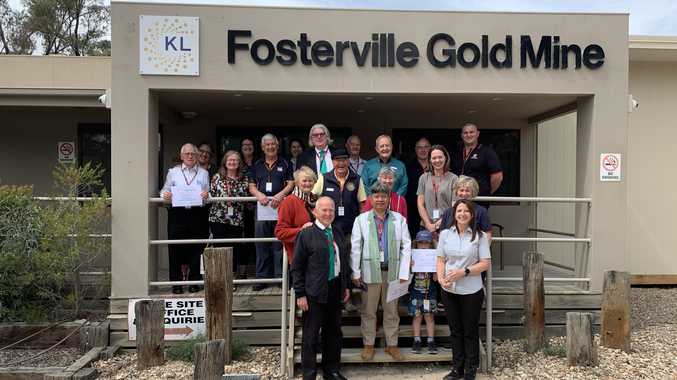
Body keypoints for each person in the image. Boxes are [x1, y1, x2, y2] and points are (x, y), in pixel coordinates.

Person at [351, 182, 411, 362]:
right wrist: (355, 272)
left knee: (391, 311)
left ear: (388, 199)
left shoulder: (399, 219)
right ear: (371, 198)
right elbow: (356, 247)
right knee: (369, 311)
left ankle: (392, 345)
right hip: (369, 272)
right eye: (376, 196)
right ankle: (368, 345)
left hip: (392, 272)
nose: (380, 200)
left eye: (383, 196)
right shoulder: (361, 220)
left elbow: (406, 246)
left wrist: (403, 272)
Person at [292, 197, 351, 380]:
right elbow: (297, 266)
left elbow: (344, 261)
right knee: (310, 336)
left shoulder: (338, 232)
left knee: (333, 333)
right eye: (324, 210)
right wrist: (300, 294)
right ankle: (309, 374)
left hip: (335, 289)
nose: (328, 214)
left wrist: (346, 286)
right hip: (314, 293)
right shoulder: (306, 234)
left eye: (331, 210)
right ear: (315, 212)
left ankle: (331, 371)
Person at [436, 199, 491, 380]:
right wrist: (441, 278)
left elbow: (485, 264)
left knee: (470, 331)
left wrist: (465, 272)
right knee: (455, 330)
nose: (462, 214)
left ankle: (470, 370)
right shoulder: (445, 234)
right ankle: (457, 369)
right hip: (449, 290)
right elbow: (440, 259)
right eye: (459, 210)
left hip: (471, 291)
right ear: (454, 213)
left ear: (472, 214)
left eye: (466, 211)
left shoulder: (480, 236)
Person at [160, 143, 210, 294]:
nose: (190, 156)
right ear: (181, 156)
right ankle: (176, 283)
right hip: (178, 214)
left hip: (197, 214)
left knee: (197, 248)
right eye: (187, 154)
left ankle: (194, 281)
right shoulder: (173, 172)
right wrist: (165, 195)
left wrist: (207, 196)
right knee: (175, 247)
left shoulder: (203, 173)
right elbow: (164, 191)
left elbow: (208, 194)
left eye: (193, 154)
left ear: (197, 156)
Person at [248, 134, 294, 290]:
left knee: (280, 243)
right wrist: (259, 195)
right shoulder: (256, 164)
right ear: (262, 147)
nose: (270, 147)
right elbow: (251, 185)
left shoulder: (286, 163)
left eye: (273, 144)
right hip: (262, 209)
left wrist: (280, 195)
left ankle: (281, 277)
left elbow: (291, 183)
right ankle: (262, 278)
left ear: (277, 145)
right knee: (261, 244)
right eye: (267, 145)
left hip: (280, 207)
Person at [209, 150, 250, 278]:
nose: (232, 162)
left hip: (235, 218)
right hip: (218, 217)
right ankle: (219, 277)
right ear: (225, 162)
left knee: (233, 248)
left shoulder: (244, 178)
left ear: (239, 163)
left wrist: (233, 198)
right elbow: (212, 194)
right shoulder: (217, 177)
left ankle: (230, 277)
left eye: (235, 160)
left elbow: (245, 195)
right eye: (229, 160)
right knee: (219, 247)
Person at [312, 148, 367, 237]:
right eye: (337, 160)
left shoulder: (357, 179)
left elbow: (362, 205)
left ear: (348, 161)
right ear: (332, 162)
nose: (341, 163)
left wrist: (361, 226)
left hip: (351, 230)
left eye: (344, 160)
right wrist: (317, 217)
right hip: (329, 229)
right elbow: (312, 198)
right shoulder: (324, 178)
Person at [451, 123, 503, 206]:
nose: (468, 135)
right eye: (465, 133)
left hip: (478, 200)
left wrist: (486, 192)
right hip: (459, 199)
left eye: (471, 132)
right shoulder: (456, 152)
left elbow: (497, 177)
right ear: (462, 135)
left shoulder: (487, 152)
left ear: (478, 134)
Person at [275, 166, 318, 264]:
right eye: (304, 181)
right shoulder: (289, 202)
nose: (307, 183)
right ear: (297, 183)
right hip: (299, 256)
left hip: (316, 255)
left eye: (310, 181)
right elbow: (280, 232)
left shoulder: (316, 200)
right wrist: (302, 230)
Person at [418, 144, 458, 238]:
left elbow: (454, 206)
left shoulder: (454, 178)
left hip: (447, 225)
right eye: (434, 158)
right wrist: (428, 224)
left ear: (446, 158)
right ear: (430, 160)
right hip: (426, 226)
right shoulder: (424, 178)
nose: (437, 160)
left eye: (440, 157)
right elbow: (420, 204)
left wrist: (438, 224)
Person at [409, 229, 438, 355]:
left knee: (429, 316)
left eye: (426, 243)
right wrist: (410, 266)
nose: (424, 245)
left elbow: (437, 278)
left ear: (431, 244)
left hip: (429, 293)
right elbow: (407, 276)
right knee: (417, 316)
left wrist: (436, 271)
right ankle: (417, 340)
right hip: (416, 292)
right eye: (421, 243)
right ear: (416, 244)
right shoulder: (412, 256)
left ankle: (431, 341)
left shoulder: (434, 257)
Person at [440, 176, 493, 240]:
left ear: (473, 193)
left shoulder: (481, 211)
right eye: (461, 190)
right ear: (456, 192)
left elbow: (488, 235)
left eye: (467, 191)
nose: (464, 193)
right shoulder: (448, 212)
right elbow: (442, 235)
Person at [405, 137, 431, 237]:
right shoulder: (408, 166)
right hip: (412, 210)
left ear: (430, 149)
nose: (423, 150)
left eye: (426, 147)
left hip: (432, 210)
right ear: (416, 150)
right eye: (420, 147)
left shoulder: (436, 165)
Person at [240, 137, 258, 277]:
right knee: (243, 239)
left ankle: (258, 270)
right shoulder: (237, 162)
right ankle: (243, 271)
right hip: (241, 208)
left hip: (259, 206)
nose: (247, 146)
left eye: (250, 144)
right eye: (244, 145)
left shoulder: (259, 162)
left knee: (257, 238)